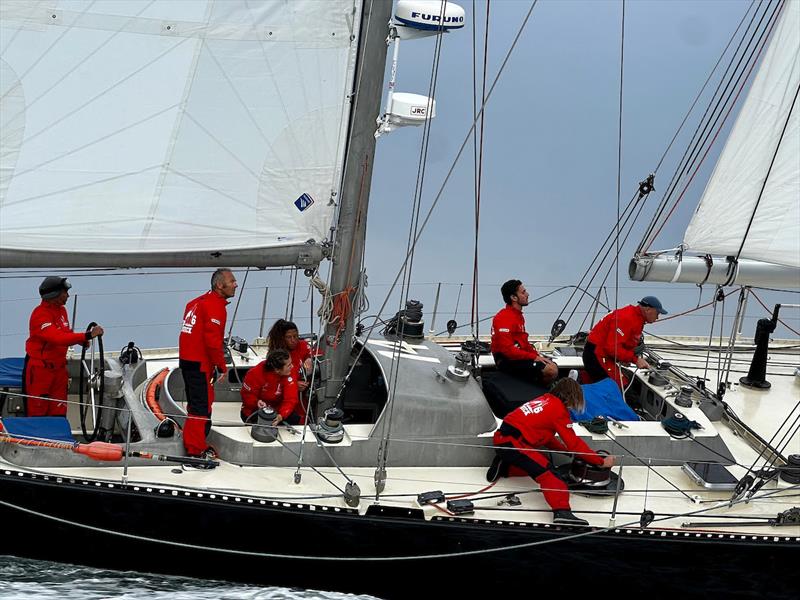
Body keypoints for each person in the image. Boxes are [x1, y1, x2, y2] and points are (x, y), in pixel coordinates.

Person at [491, 378, 614, 525]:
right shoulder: (559, 411)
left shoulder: (545, 400)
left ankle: (505, 467)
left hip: (504, 440)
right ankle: (562, 513)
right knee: (549, 474)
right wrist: (600, 461)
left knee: (535, 466)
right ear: (571, 397)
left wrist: (567, 452)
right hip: (513, 444)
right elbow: (574, 443)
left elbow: (547, 438)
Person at [23, 277, 104, 417]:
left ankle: (58, 438)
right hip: (40, 372)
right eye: (64, 292)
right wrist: (87, 335)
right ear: (54, 295)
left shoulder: (62, 311)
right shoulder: (40, 315)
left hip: (59, 371)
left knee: (59, 412)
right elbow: (57, 338)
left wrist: (80, 341)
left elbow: (65, 333)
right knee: (38, 413)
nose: (68, 295)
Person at [178, 268, 237, 458]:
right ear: (220, 285)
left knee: (198, 404)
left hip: (188, 362)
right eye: (232, 281)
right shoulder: (215, 306)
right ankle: (195, 451)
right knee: (200, 407)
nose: (236, 284)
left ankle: (193, 441)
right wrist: (221, 366)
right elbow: (213, 341)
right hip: (199, 364)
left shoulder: (196, 302)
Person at [582, 296, 667, 389]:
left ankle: (581, 378)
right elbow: (612, 348)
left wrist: (625, 358)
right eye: (657, 313)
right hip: (597, 355)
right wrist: (635, 359)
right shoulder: (627, 318)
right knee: (620, 387)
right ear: (648, 309)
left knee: (617, 382)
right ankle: (581, 378)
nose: (658, 317)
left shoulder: (634, 317)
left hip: (600, 354)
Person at [490, 279, 558, 385]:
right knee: (550, 370)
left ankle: (542, 392)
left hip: (517, 358)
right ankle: (540, 393)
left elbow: (524, 344)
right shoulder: (503, 317)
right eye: (523, 292)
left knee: (552, 365)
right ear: (513, 297)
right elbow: (508, 350)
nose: (527, 294)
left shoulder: (518, 316)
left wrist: (539, 356)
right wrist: (534, 357)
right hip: (506, 361)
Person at [240, 349, 301, 425]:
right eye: (289, 365)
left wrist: (281, 415)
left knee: (295, 418)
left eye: (291, 363)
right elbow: (247, 395)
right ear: (277, 370)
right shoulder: (254, 374)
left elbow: (291, 399)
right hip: (255, 410)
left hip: (278, 410)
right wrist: (256, 402)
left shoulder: (289, 372)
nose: (292, 366)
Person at [266, 319, 313, 392]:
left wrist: (310, 359)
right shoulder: (277, 355)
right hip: (286, 395)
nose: (293, 340)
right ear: (282, 338)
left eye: (295, 336)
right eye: (289, 337)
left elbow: (318, 353)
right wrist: (293, 384)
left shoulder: (303, 345)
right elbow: (272, 380)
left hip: (306, 396)